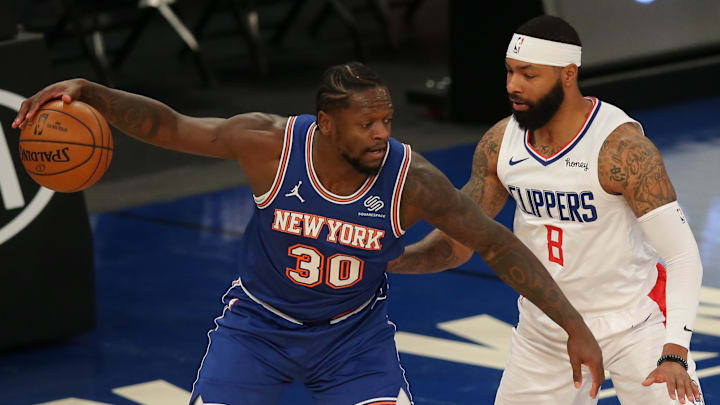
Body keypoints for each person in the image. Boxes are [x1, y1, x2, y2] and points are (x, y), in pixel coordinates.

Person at [13, 62, 603, 405]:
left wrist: (575, 325)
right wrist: (91, 92)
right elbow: (170, 126)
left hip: (354, 338)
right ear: (325, 124)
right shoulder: (269, 145)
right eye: (366, 123)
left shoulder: (411, 179)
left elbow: (495, 244)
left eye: (387, 121)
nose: (381, 134)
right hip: (259, 328)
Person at [388, 15, 705, 405]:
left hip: (634, 324)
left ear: (568, 74)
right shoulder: (501, 143)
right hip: (547, 329)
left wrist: (674, 352)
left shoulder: (621, 150)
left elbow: (682, 256)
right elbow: (459, 241)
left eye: (528, 74)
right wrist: (392, 259)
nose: (512, 86)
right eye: (509, 72)